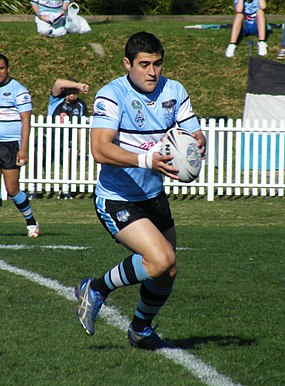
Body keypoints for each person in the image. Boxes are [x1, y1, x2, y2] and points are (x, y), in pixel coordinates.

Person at [74, 31, 206, 350]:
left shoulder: (173, 90)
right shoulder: (112, 94)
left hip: (153, 196)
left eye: (157, 64)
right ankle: (95, 288)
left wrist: (197, 145)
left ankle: (140, 330)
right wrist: (147, 158)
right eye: (144, 64)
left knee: (168, 270)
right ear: (127, 64)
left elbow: (195, 133)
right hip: (117, 198)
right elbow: (100, 149)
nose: (152, 71)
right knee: (159, 259)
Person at [0, 54, 39, 238]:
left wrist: (23, 149)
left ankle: (31, 221)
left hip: (10, 145)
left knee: (12, 189)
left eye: (1, 68)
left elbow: (26, 121)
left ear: (8, 69)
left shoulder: (18, 90)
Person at [46, 78, 89, 199]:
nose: (72, 95)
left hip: (66, 142)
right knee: (37, 154)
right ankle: (33, 188)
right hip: (49, 139)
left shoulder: (80, 105)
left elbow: (81, 128)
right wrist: (79, 84)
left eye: (75, 92)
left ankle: (67, 188)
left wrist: (81, 148)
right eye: (70, 92)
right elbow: (58, 83)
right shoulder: (56, 100)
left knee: (71, 155)